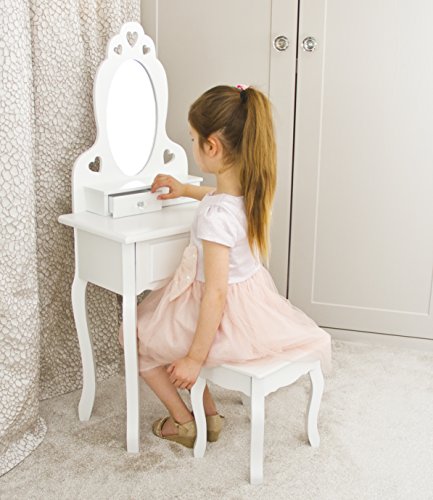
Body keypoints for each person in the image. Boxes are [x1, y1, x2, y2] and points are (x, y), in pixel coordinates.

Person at [118, 84, 332, 449]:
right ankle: (209, 415)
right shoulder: (251, 190)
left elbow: (215, 293)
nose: (193, 146)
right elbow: (218, 198)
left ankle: (184, 421)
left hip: (219, 318)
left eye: (193, 139)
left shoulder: (215, 218)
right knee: (154, 328)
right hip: (251, 309)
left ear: (212, 147)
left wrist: (193, 358)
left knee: (136, 334)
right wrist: (186, 190)